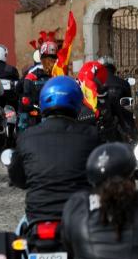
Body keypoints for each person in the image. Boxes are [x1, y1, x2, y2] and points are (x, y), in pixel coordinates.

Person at [8, 76, 101, 222]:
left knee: (21, 231)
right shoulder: (93, 136)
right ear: (78, 101)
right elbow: (103, 174)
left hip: (38, 218)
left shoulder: (26, 136)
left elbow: (17, 178)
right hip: (80, 218)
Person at [99, 55, 138, 140]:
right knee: (132, 135)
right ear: (113, 68)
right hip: (121, 119)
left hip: (102, 119)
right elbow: (128, 103)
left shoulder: (95, 84)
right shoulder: (123, 83)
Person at [21, 41, 58, 121]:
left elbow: (26, 89)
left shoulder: (33, 71)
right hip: (55, 110)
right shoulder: (60, 70)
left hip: (40, 110)